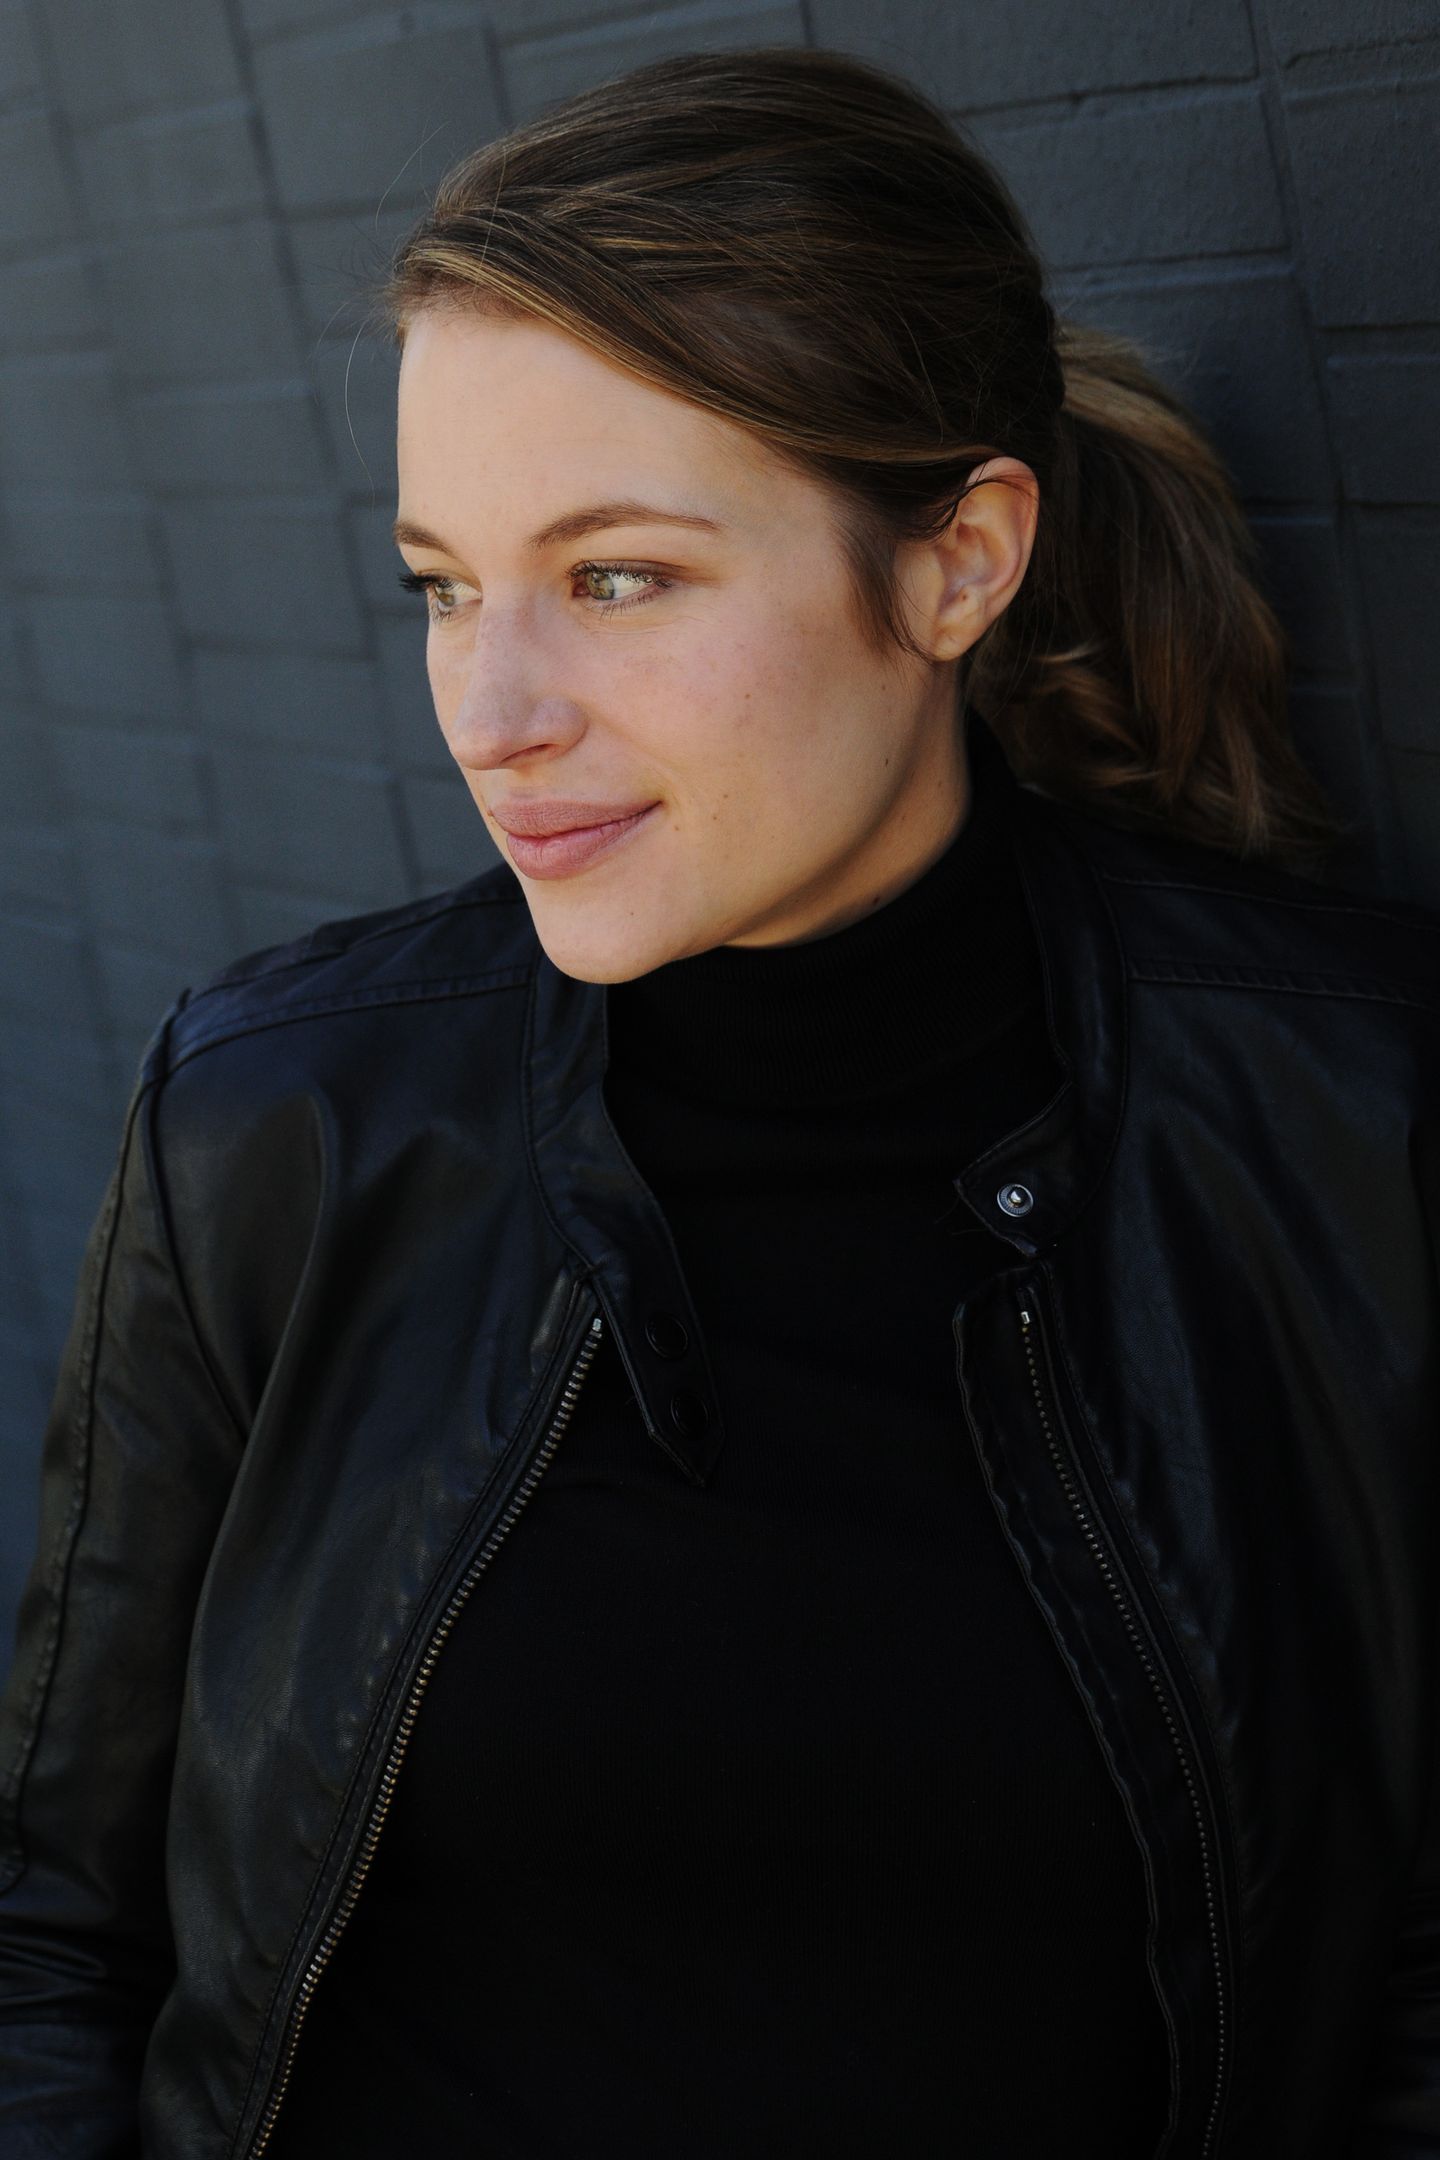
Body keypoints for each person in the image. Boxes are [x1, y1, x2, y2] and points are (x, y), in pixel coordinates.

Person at [0, 39, 1437, 2160]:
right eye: (444, 585)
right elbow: (54, 1927)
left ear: (958, 563)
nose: (491, 711)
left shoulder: (1346, 1125)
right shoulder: (280, 1124)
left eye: (617, 577)